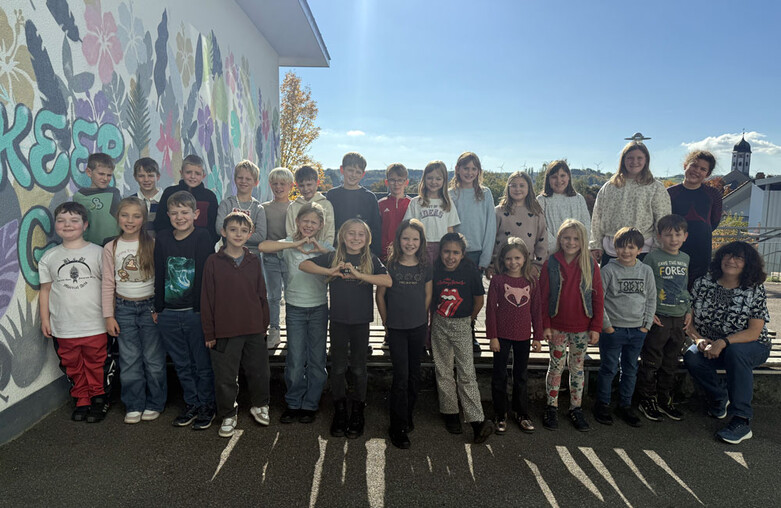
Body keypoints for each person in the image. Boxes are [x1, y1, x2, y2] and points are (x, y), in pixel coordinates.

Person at [201, 212, 307, 438]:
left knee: (259, 371)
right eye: (233, 230)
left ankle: (260, 405)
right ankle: (228, 414)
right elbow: (207, 298)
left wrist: (264, 324)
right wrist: (209, 332)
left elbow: (262, 294)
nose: (238, 234)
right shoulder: (213, 262)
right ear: (224, 232)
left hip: (253, 328)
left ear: (250, 234)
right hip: (225, 330)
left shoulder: (253, 260)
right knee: (225, 376)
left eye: (243, 231)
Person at [299, 219, 392, 439]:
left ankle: (358, 409)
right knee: (339, 367)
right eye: (351, 233)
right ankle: (340, 409)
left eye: (361, 234)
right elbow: (304, 265)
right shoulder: (334, 257)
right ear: (342, 236)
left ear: (367, 239)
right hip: (338, 321)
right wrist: (330, 270)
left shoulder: (370, 259)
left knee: (359, 368)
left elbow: (387, 281)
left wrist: (359, 275)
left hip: (361, 322)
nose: (356, 238)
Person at [684, 241, 771, 444]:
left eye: (739, 257)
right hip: (712, 345)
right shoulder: (703, 283)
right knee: (691, 357)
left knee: (736, 352)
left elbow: (754, 331)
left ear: (747, 263)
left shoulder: (754, 289)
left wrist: (723, 342)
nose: (731, 260)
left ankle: (741, 420)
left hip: (751, 346)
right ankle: (719, 397)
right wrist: (698, 339)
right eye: (728, 255)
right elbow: (689, 321)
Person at [39, 202, 107, 422]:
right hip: (64, 325)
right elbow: (45, 290)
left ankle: (98, 398)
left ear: (85, 225)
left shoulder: (98, 253)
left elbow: (109, 287)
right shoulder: (49, 257)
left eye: (74, 220)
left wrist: (110, 316)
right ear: (55, 225)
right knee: (72, 364)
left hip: (95, 323)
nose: (67, 225)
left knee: (96, 363)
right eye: (61, 220)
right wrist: (45, 319)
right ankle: (81, 399)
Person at [153, 190, 216, 430]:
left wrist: (204, 311)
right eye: (174, 213)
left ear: (195, 214)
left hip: (194, 312)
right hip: (169, 313)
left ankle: (207, 404)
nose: (180, 217)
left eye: (185, 212)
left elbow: (205, 277)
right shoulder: (163, 238)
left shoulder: (202, 237)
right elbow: (160, 273)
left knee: (201, 363)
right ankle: (192, 403)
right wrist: (158, 307)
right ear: (168, 215)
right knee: (182, 363)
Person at [102, 197, 166, 424]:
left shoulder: (153, 244)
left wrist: (159, 308)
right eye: (125, 215)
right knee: (129, 359)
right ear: (117, 217)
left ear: (144, 219)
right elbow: (108, 283)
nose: (130, 220)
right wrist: (109, 316)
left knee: (153, 358)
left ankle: (155, 402)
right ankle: (134, 404)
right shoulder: (111, 247)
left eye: (136, 216)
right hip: (123, 309)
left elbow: (161, 279)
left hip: (150, 307)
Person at [539, 219, 604, 432]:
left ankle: (576, 408)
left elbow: (598, 297)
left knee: (577, 368)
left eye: (576, 238)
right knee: (556, 367)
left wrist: (596, 327)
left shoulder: (590, 264)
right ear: (559, 239)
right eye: (566, 237)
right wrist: (546, 325)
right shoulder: (551, 263)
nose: (571, 242)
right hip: (557, 326)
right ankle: (551, 406)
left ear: (583, 240)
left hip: (582, 328)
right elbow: (543, 297)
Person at [430, 233, 494, 443]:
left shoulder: (470, 271)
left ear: (463, 254)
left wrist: (468, 320)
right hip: (440, 323)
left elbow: (478, 301)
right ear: (440, 252)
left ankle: (476, 420)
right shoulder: (436, 270)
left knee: (466, 372)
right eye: (446, 252)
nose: (450, 257)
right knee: (443, 369)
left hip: (462, 324)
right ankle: (450, 413)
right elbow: (431, 299)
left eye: (455, 252)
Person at [376, 219, 432, 449]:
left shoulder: (425, 266)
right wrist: (387, 323)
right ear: (398, 240)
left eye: (415, 239)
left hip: (417, 328)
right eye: (406, 238)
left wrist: (420, 318)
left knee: (414, 375)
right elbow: (380, 296)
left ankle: (407, 414)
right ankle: (397, 425)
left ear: (421, 242)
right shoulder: (390, 265)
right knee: (401, 376)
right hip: (396, 329)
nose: (410, 243)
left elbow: (428, 295)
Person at [593, 227, 656, 428]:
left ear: (639, 249)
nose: (626, 251)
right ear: (615, 248)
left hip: (637, 331)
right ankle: (603, 404)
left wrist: (646, 325)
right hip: (613, 330)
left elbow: (651, 299)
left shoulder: (646, 271)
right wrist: (607, 326)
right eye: (621, 247)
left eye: (631, 247)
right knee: (609, 368)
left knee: (630, 369)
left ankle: (625, 405)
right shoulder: (608, 270)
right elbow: (598, 300)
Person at [279, 203, 333, 424]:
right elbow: (263, 246)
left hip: (318, 308)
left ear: (320, 225)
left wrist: (322, 249)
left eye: (314, 222)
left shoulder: (326, 247)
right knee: (295, 358)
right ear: (297, 222)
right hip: (295, 309)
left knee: (317, 358)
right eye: (305, 221)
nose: (309, 225)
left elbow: (340, 259)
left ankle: (311, 403)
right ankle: (293, 401)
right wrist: (296, 243)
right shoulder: (287, 245)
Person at [637, 214, 692, 422]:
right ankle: (646, 398)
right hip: (659, 317)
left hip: (679, 318)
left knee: (670, 362)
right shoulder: (652, 258)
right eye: (668, 235)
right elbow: (644, 287)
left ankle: (664, 398)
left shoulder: (685, 258)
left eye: (678, 234)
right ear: (659, 237)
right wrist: (648, 312)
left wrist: (688, 310)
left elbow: (684, 286)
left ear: (685, 236)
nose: (673, 239)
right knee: (652, 360)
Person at [486, 238, 542, 434]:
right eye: (509, 258)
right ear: (502, 259)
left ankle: (521, 412)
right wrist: (492, 336)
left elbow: (537, 310)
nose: (513, 262)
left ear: (525, 258)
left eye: (517, 258)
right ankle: (500, 413)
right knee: (499, 375)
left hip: (523, 336)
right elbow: (491, 310)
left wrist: (537, 337)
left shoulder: (532, 281)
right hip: (501, 336)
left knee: (521, 375)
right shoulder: (498, 281)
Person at [590, 142, 671, 266]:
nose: (635, 162)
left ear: (646, 160)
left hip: (643, 250)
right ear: (623, 160)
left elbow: (662, 220)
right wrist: (595, 244)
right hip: (612, 250)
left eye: (639, 158)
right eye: (630, 158)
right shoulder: (610, 186)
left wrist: (658, 248)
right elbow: (597, 217)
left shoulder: (655, 187)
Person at [667, 151, 722, 287]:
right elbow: (664, 221)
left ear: (708, 174)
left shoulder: (713, 194)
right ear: (685, 165)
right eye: (694, 166)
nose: (697, 171)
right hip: (674, 249)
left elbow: (714, 222)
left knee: (698, 289)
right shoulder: (670, 193)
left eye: (703, 169)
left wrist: (700, 231)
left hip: (701, 251)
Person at [153, 154, 220, 246]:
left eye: (197, 174)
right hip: (172, 245)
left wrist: (207, 243)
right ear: (181, 173)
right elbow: (160, 221)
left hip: (201, 246)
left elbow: (213, 227)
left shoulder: (209, 196)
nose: (193, 176)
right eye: (188, 172)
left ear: (203, 176)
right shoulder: (169, 193)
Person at [404, 160, 460, 265]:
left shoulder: (448, 202)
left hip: (442, 246)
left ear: (444, 181)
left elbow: (450, 229)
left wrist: (450, 247)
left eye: (438, 179)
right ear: (424, 179)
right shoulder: (416, 202)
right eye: (430, 178)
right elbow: (409, 227)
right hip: (421, 245)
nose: (434, 182)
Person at [491, 171, 547, 277]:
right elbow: (491, 238)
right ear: (508, 188)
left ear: (529, 188)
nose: (517, 189)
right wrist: (491, 263)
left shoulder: (536, 213)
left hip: (527, 267)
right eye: (513, 186)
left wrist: (537, 265)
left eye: (522, 186)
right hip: (502, 266)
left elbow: (542, 239)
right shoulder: (498, 212)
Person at [326, 152, 382, 256]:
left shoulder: (369, 197)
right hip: (336, 251)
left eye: (358, 172)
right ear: (342, 169)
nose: (353, 175)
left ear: (363, 174)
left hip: (362, 252)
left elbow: (375, 229)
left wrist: (374, 255)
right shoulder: (332, 195)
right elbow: (327, 225)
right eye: (350, 170)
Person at [263, 167, 295, 349]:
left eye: (283, 183)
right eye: (275, 183)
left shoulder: (295, 207)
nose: (279, 187)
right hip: (271, 258)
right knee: (273, 296)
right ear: (270, 185)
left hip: (290, 258)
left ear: (290, 186)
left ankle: (293, 330)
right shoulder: (264, 208)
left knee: (291, 295)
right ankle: (274, 330)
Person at [449, 152, 496, 272]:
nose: (470, 173)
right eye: (466, 168)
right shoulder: (450, 194)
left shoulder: (485, 193)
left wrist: (486, 258)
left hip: (477, 253)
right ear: (457, 169)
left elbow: (490, 227)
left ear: (478, 171)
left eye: (474, 169)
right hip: (454, 253)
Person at [536, 160, 591, 253]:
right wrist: (557, 248)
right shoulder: (542, 200)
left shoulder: (578, 199)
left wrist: (577, 245)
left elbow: (586, 225)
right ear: (548, 179)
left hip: (576, 251)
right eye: (554, 177)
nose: (559, 180)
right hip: (552, 253)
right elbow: (541, 228)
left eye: (562, 176)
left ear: (568, 177)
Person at [215, 159, 267, 255]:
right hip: (228, 254)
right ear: (235, 179)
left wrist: (231, 232)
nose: (243, 181)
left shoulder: (258, 208)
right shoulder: (226, 204)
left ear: (256, 182)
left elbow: (261, 236)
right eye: (240, 178)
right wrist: (248, 232)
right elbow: (219, 229)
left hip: (251, 255)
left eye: (248, 179)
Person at [73, 153, 121, 246]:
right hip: (95, 246)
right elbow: (81, 225)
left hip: (118, 244)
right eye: (101, 174)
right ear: (89, 172)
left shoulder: (115, 192)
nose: (105, 178)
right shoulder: (80, 197)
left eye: (109, 175)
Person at [286, 165, 335, 245]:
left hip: (320, 250)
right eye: (302, 185)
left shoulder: (326, 205)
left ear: (317, 183)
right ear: (297, 185)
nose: (305, 189)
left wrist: (325, 249)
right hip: (297, 249)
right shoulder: (293, 207)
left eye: (309, 185)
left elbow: (329, 232)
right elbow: (290, 232)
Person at [378, 163, 411, 262]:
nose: (396, 184)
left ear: (406, 182)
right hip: (384, 254)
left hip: (406, 253)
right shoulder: (380, 204)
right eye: (392, 180)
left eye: (400, 180)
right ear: (387, 182)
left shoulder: (412, 204)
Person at [130, 157, 163, 237]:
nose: (146, 179)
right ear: (135, 177)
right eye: (141, 176)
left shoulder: (167, 200)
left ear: (158, 176)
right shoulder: (130, 202)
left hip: (161, 243)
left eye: (150, 175)